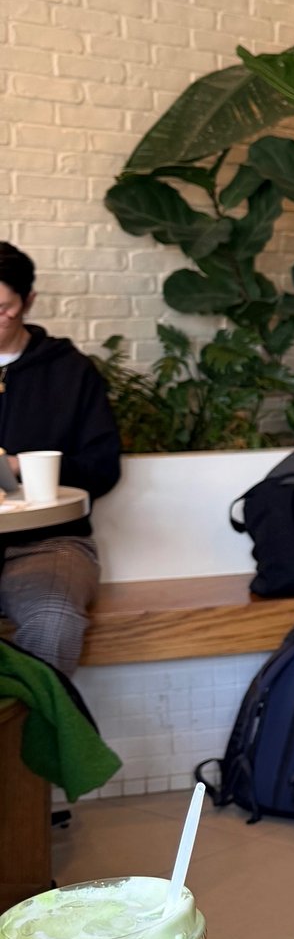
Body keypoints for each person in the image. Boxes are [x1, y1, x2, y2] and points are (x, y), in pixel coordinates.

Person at [0, 243, 121, 677]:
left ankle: (38, 722)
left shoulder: (70, 372)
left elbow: (103, 468)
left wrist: (20, 467)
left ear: (28, 301)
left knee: (53, 621)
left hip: (49, 543)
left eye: (2, 309)